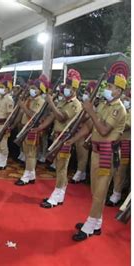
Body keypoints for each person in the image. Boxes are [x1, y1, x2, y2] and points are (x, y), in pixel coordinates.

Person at [63, 73, 127, 241]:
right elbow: (90, 127)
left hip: (107, 154)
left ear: (119, 91)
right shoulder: (105, 105)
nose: (107, 89)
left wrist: (90, 110)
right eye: (107, 86)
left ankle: (90, 225)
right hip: (97, 151)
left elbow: (104, 130)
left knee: (100, 192)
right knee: (94, 190)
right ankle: (97, 222)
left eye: (111, 87)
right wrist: (73, 140)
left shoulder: (118, 108)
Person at [31, 70, 82, 207]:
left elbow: (61, 117)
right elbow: (52, 117)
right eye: (66, 86)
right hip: (56, 137)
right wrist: (40, 128)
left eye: (69, 87)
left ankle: (57, 195)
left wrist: (51, 103)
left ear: (75, 89)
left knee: (61, 168)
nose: (66, 89)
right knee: (59, 166)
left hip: (65, 139)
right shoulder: (64, 102)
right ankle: (59, 194)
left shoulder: (75, 104)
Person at [14, 77, 47, 185]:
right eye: (31, 88)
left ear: (39, 90)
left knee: (31, 153)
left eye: (34, 88)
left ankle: (27, 175)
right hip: (25, 127)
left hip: (32, 129)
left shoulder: (40, 101)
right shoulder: (30, 99)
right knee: (27, 152)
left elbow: (34, 116)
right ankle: (31, 174)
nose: (31, 90)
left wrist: (23, 106)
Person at [106, 88, 130, 206]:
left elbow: (126, 125)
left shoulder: (127, 111)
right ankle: (113, 191)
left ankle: (117, 194)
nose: (126, 100)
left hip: (125, 143)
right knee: (114, 169)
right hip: (116, 142)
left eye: (128, 99)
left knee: (121, 171)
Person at [0, 75, 14, 170]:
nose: (0, 89)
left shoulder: (9, 99)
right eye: (0, 87)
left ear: (8, 89)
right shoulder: (1, 98)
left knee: (3, 144)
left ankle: (3, 162)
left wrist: (7, 127)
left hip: (3, 124)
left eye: (3, 87)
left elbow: (9, 115)